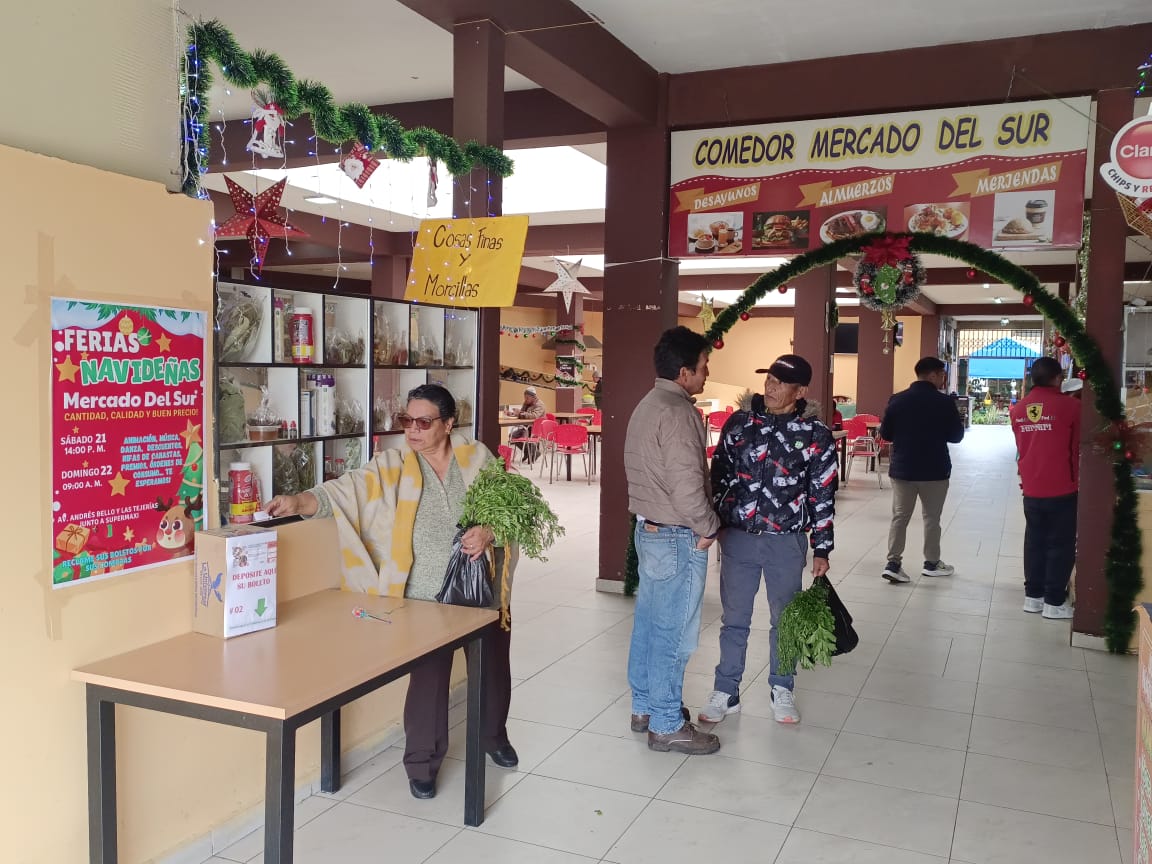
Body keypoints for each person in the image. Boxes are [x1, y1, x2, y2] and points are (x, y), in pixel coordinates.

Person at [266, 384, 518, 800]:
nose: (413, 431)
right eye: (407, 421)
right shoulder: (392, 465)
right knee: (428, 680)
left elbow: (510, 506)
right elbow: (346, 490)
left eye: (424, 422)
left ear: (448, 424)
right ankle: (422, 762)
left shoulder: (478, 458)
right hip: (421, 596)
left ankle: (494, 736)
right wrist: (299, 501)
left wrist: (490, 531)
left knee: (492, 668)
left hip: (479, 586)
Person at [701, 354, 838, 726]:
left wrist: (822, 546)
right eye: (769, 379)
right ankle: (726, 691)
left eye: (780, 382)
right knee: (734, 620)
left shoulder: (815, 436)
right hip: (740, 538)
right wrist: (715, 523)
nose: (771, 387)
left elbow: (822, 494)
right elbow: (719, 476)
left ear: (801, 391)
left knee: (785, 619)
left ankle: (782, 686)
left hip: (786, 541)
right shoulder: (740, 424)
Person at [624, 326, 721, 755]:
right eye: (702, 368)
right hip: (678, 535)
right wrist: (708, 526)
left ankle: (645, 706)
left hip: (650, 529)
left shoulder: (648, 404)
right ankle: (665, 723)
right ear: (684, 372)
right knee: (672, 634)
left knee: (648, 624)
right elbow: (686, 486)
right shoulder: (679, 413)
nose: (706, 375)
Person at [878, 356, 966, 583]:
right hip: (934, 471)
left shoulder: (896, 400)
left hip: (903, 470)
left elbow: (886, 434)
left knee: (900, 517)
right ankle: (931, 563)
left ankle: (893, 563)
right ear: (934, 375)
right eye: (942, 374)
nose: (943, 379)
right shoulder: (944, 402)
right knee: (931, 518)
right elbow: (956, 436)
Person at [1010, 357, 1081, 619]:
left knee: (1034, 541)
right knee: (1060, 544)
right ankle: (1053, 601)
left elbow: (1022, 447)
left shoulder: (1018, 410)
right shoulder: (1072, 407)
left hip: (1031, 486)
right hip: (1063, 485)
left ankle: (1033, 597)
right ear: (1058, 378)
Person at [507, 386, 546, 464]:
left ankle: (533, 452)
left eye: (527, 398)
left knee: (524, 437)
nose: (525, 399)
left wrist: (520, 413)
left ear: (533, 397)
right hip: (525, 427)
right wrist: (512, 414)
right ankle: (530, 452)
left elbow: (534, 416)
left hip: (534, 429)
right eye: (525, 397)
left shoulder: (540, 405)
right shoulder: (526, 403)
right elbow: (521, 414)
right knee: (512, 436)